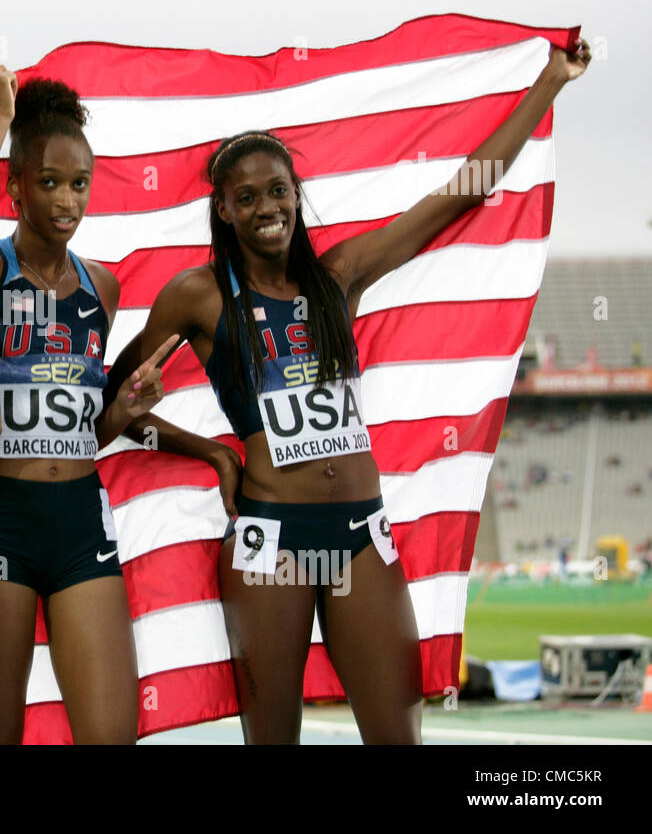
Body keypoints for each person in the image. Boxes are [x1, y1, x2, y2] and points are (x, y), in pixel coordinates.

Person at [108, 37, 591, 743]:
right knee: (273, 736)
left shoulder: (338, 277)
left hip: (362, 531)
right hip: (269, 539)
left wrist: (550, 82)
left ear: (296, 197)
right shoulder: (198, 296)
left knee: (397, 733)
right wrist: (212, 456)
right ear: (223, 209)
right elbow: (112, 408)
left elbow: (460, 193)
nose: (268, 207)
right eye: (247, 197)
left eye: (279, 191)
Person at [0, 67, 233, 744]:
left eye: (80, 184)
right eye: (49, 182)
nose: (68, 199)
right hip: (1, 521)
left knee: (110, 730)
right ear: (14, 186)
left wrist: (125, 408)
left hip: (80, 521)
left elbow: (88, 433)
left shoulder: (102, 286)